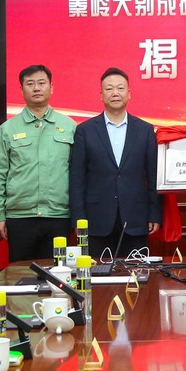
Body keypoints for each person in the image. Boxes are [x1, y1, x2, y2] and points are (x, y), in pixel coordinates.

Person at [69, 67, 160, 258]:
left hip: (136, 217)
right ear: (101, 95)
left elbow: (153, 176)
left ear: (129, 93)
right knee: (98, 271)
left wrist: (154, 214)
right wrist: (78, 217)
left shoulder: (145, 130)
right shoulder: (85, 131)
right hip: (96, 219)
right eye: (109, 89)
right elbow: (77, 179)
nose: (115, 93)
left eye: (120, 88)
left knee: (136, 272)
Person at [0, 65, 75, 263]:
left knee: (56, 274)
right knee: (19, 274)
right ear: (21, 90)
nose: (36, 88)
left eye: (41, 83)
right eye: (30, 84)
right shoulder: (8, 129)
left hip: (58, 216)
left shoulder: (69, 126)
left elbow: (77, 174)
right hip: (20, 218)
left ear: (51, 87)